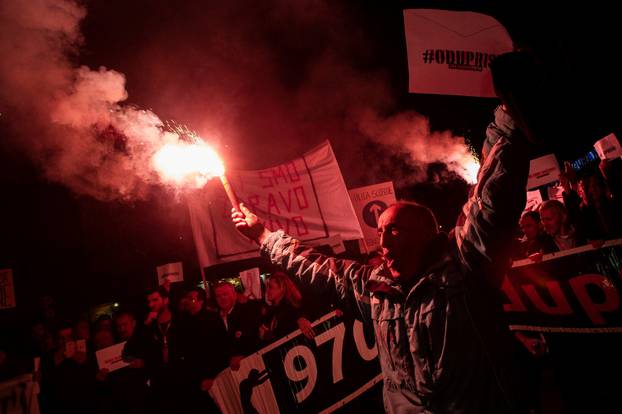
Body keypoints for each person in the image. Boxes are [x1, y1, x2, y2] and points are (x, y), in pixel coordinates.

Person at [232, 110, 531, 412]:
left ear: (426, 235)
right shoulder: (374, 289)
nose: (383, 241)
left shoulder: (465, 267)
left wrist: (506, 121)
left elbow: (493, 200)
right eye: (380, 232)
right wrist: (264, 237)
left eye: (395, 230)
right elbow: (315, 266)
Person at [212, 281, 263, 370]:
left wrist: (243, 355)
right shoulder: (214, 319)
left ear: (235, 295)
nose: (222, 298)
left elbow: (253, 337)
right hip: (228, 371)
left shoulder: (247, 311)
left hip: (252, 364)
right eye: (218, 296)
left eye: (225, 294)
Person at [259, 272, 315, 343]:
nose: (267, 291)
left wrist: (268, 336)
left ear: (282, 288)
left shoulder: (291, 310)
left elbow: (287, 337)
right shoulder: (272, 312)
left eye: (271, 287)